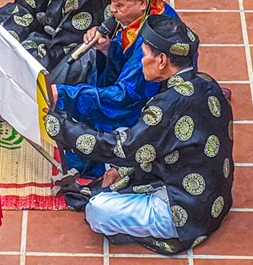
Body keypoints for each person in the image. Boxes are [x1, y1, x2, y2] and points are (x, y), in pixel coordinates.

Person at [45, 15, 233, 255]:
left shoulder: (166, 107)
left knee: (98, 211)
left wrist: (62, 128)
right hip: (212, 197)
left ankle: (164, 228)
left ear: (162, 60)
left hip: (186, 210)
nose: (142, 62)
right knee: (124, 136)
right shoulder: (207, 83)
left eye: (144, 55)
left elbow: (124, 149)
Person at [52, 0, 179, 177]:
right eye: (111, 3)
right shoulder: (140, 17)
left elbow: (124, 97)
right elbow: (124, 63)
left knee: (92, 121)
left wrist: (66, 94)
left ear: (142, 2)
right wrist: (107, 49)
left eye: (119, 5)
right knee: (86, 68)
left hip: (154, 103)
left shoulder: (152, 39)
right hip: (135, 86)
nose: (112, 11)